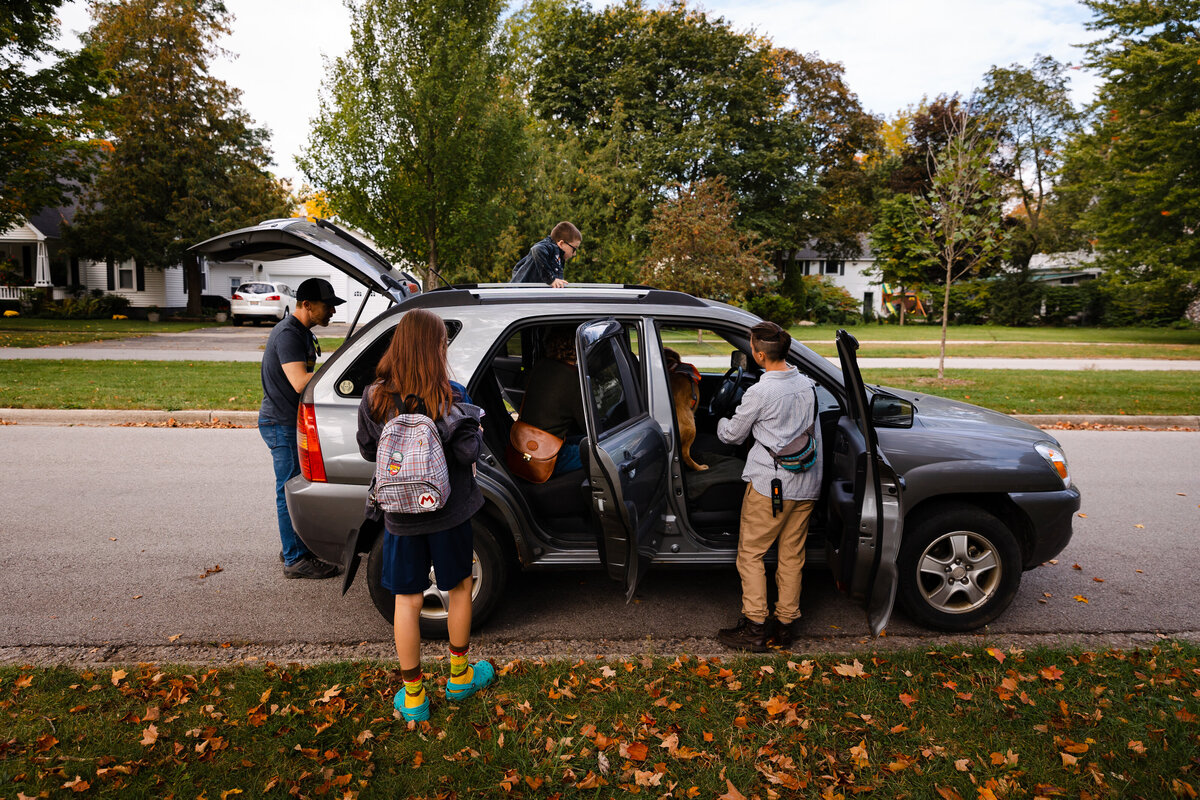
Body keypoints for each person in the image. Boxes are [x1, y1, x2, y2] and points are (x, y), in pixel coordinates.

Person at [356, 308, 496, 723]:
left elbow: (368, 451)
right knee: (458, 588)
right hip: (450, 513)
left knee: (407, 599)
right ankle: (459, 678)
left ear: (398, 346)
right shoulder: (450, 395)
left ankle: (414, 697)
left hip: (400, 516)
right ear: (436, 348)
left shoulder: (375, 397)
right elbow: (469, 452)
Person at [714, 321, 822, 652]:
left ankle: (755, 628)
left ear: (760, 355)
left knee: (751, 554)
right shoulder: (807, 384)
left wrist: (718, 420)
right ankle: (785, 626)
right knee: (792, 555)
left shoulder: (761, 392)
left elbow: (732, 435)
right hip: (806, 483)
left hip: (770, 485)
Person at [259, 277, 345, 580]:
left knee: (293, 487)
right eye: (328, 305)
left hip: (286, 420)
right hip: (279, 422)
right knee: (289, 489)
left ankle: (291, 545)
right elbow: (298, 381)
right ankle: (295, 559)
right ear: (306, 304)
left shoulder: (301, 332)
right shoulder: (288, 334)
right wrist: (339, 369)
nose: (332, 311)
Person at [518, 326, 586, 475]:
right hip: (549, 456)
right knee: (605, 452)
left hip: (526, 444)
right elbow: (586, 423)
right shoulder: (572, 378)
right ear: (576, 346)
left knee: (581, 440)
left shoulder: (540, 366)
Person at [511, 222, 582, 288]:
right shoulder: (550, 248)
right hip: (519, 297)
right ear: (561, 243)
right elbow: (537, 249)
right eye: (574, 248)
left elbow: (518, 267)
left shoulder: (558, 256)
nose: (574, 253)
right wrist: (551, 279)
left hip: (531, 296)